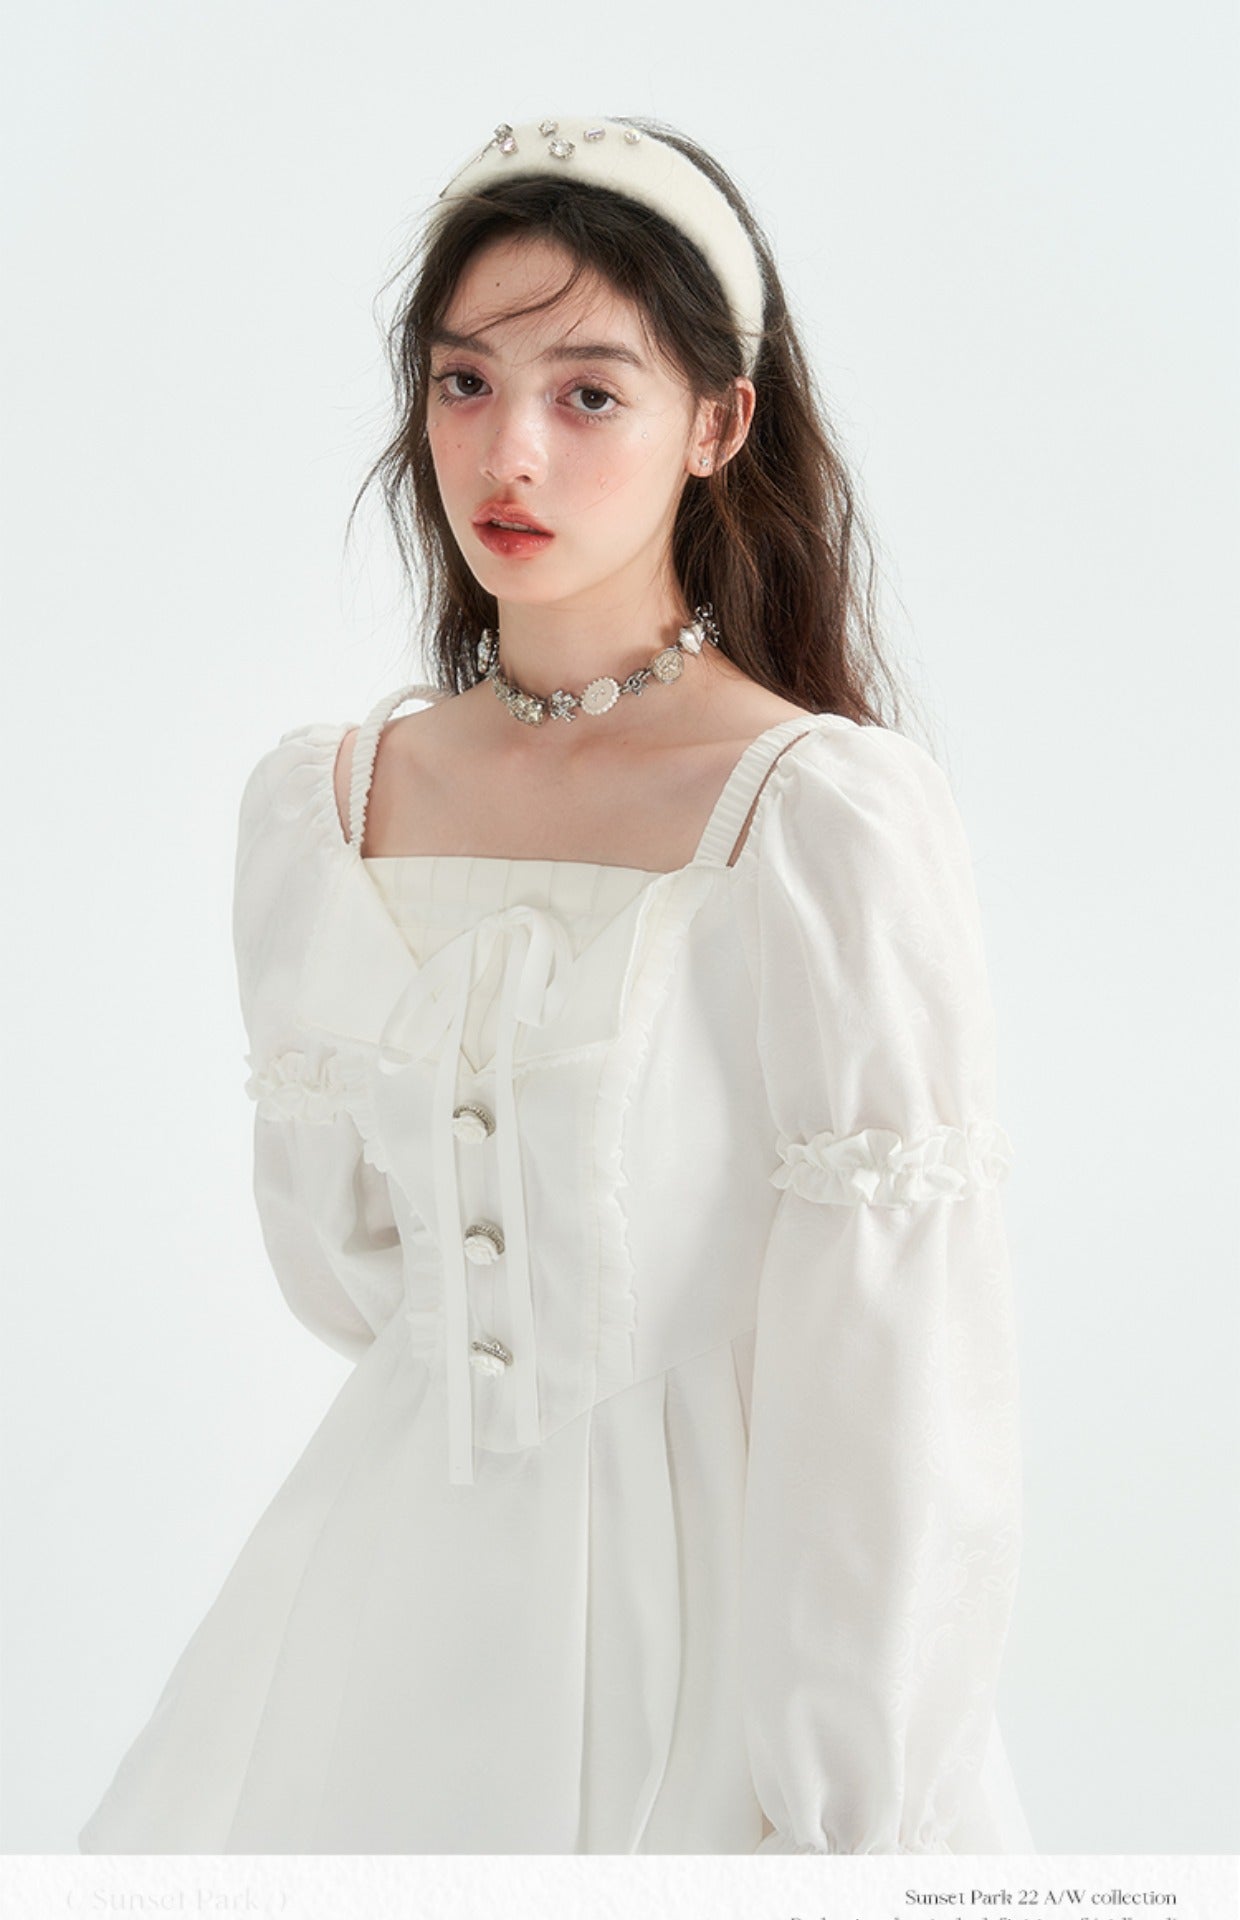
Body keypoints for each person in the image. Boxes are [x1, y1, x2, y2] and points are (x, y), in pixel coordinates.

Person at [78, 111, 1034, 1856]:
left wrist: (852, 1775)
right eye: (464, 382)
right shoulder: (329, 805)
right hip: (385, 1601)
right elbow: (349, 1274)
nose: (508, 450)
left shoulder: (815, 817)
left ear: (718, 425)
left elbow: (900, 1348)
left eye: (592, 393)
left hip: (726, 1623)